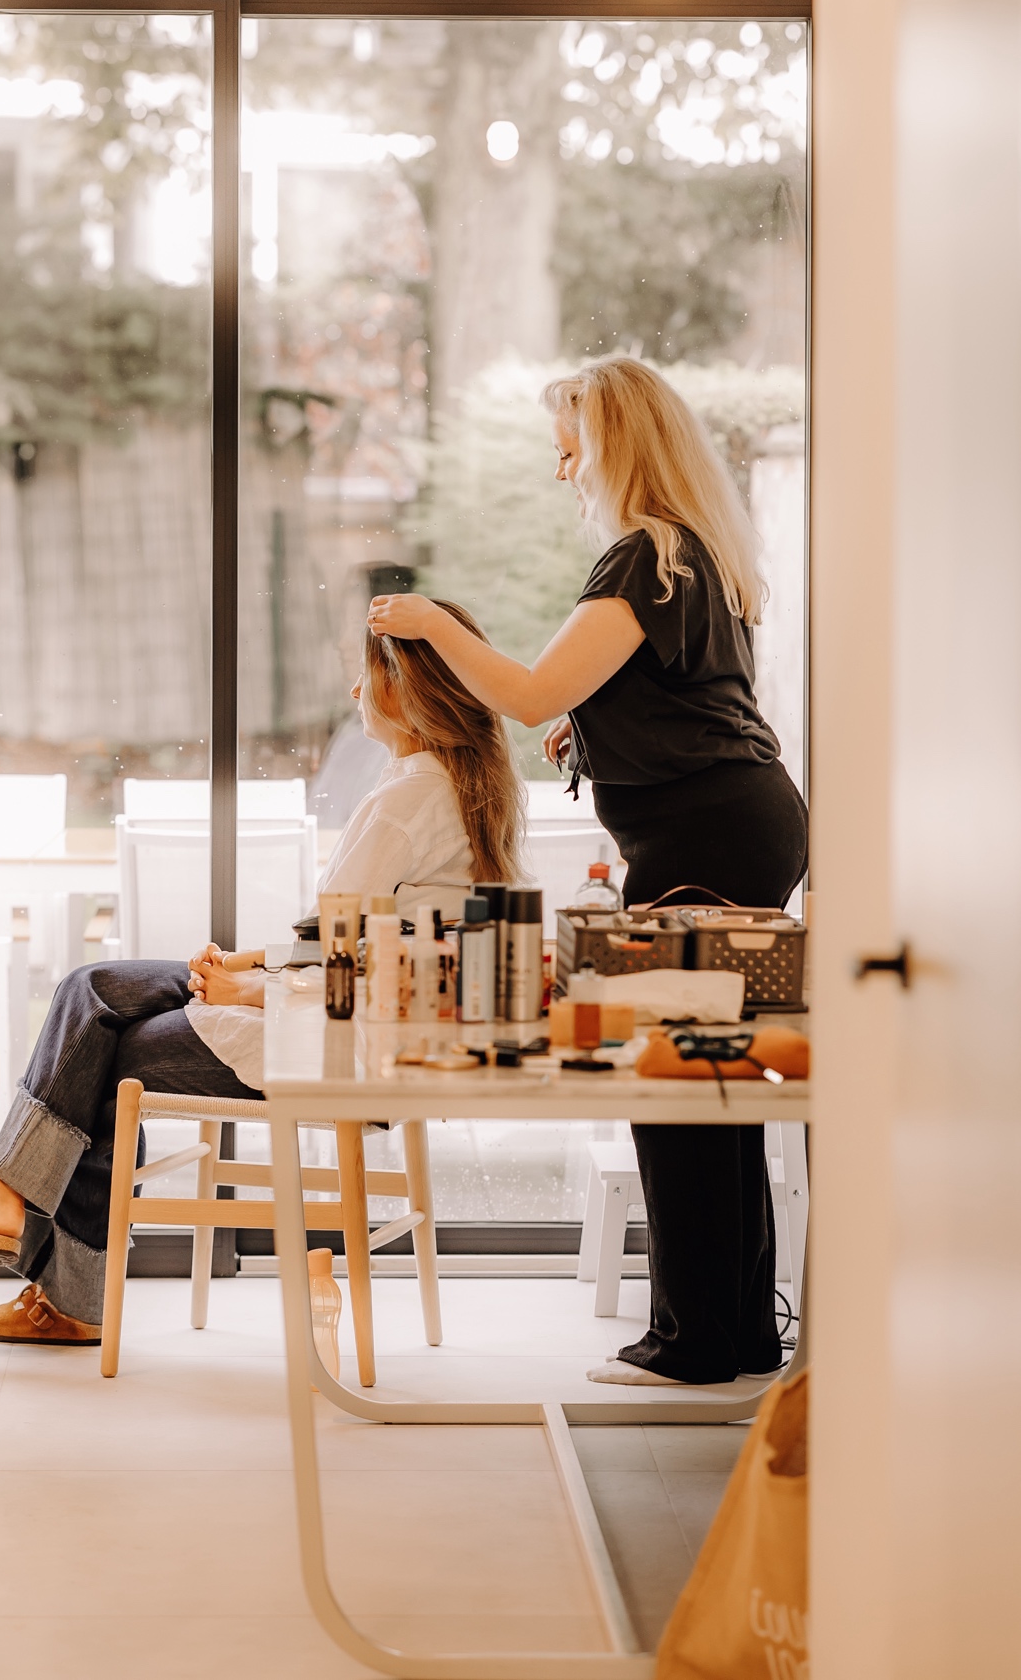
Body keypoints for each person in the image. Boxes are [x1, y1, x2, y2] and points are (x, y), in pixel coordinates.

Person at [0, 601, 524, 1344]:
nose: (354, 694)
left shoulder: (409, 795)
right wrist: (254, 964)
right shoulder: (461, 785)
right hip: (362, 1023)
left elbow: (349, 956)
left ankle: (52, 1269)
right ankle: (17, 1219)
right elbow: (384, 939)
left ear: (408, 692)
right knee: (91, 991)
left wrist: (256, 989)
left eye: (365, 676)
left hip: (341, 1043)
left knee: (103, 1049)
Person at [367, 354, 807, 1388]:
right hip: (737, 823)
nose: (565, 473)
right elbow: (666, 695)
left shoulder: (640, 557)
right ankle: (734, 1332)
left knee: (678, 1079)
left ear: (617, 448)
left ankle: (697, 1342)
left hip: (705, 837)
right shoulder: (699, 554)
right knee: (714, 1079)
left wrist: (431, 623)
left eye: (572, 451)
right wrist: (595, 728)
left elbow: (523, 694)